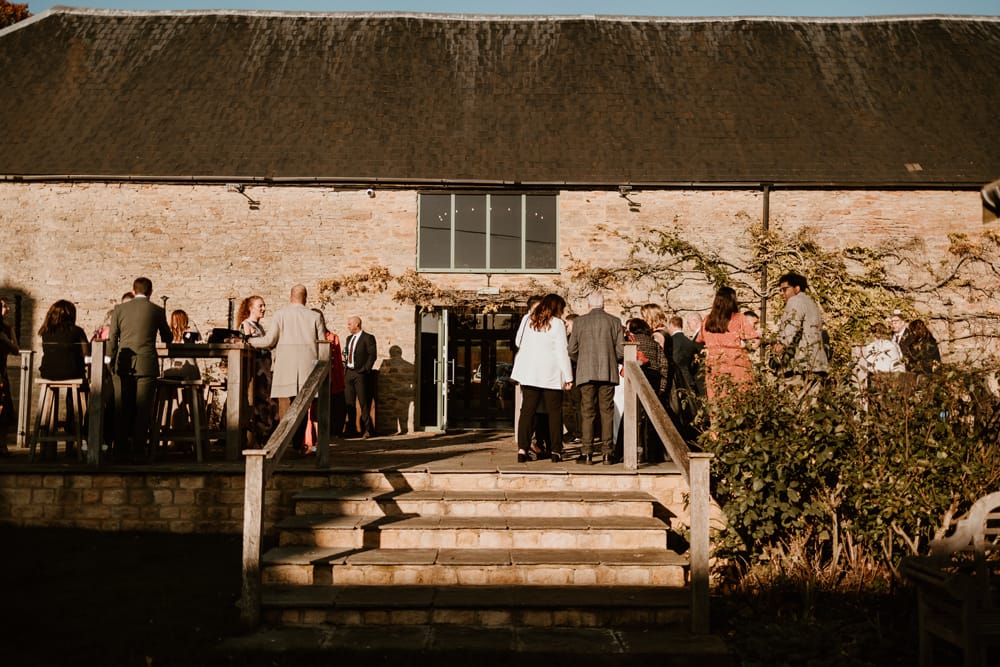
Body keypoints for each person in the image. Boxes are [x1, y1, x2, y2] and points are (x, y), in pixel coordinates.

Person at [248, 285, 327, 445]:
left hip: (285, 369)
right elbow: (322, 346)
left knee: (284, 408)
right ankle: (298, 443)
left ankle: (283, 443)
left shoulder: (280, 315)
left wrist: (250, 341)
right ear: (305, 298)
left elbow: (269, 341)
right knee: (303, 407)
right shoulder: (315, 317)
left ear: (291, 297)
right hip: (308, 369)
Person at [108, 277, 172, 462]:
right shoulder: (157, 311)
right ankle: (138, 450)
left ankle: (119, 449)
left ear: (133, 290)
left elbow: (113, 338)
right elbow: (167, 337)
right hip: (146, 363)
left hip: (124, 363)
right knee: (142, 409)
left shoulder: (119, 309)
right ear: (151, 292)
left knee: (122, 408)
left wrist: (111, 362)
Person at [510, 293, 573, 463]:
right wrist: (568, 376)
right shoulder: (558, 324)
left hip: (530, 373)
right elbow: (562, 351)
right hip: (551, 374)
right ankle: (555, 450)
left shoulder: (527, 320)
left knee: (527, 412)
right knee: (554, 413)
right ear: (556, 307)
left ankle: (522, 449)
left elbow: (518, 342)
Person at [568, 291, 625, 465]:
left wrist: (583, 360)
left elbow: (571, 350)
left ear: (588, 305)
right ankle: (607, 453)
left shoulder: (579, 322)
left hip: (586, 372)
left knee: (587, 412)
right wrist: (611, 359)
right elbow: (621, 351)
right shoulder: (615, 322)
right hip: (608, 372)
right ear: (604, 304)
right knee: (607, 412)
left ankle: (587, 452)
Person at [696, 287, 759, 401]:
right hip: (736, 365)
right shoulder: (739, 318)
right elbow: (754, 342)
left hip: (715, 367)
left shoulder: (707, 320)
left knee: (717, 402)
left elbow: (700, 340)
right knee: (738, 403)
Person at [623, 317, 667, 463]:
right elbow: (663, 364)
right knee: (651, 416)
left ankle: (633, 451)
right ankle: (652, 453)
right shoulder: (654, 343)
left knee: (633, 415)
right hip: (654, 379)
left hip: (638, 376)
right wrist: (662, 386)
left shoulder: (631, 341)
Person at [773, 272, 829, 382]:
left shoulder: (795, 300)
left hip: (800, 366)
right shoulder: (811, 303)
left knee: (793, 398)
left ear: (797, 289)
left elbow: (792, 326)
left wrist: (781, 345)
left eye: (784, 289)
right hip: (817, 365)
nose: (781, 293)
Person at [236, 295, 277, 446]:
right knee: (260, 405)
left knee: (268, 405)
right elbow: (245, 345)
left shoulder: (259, 327)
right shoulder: (246, 325)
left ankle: (265, 438)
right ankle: (258, 440)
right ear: (251, 308)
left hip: (265, 370)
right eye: (260, 306)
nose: (263, 309)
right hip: (257, 372)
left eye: (264, 305)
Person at [343, 315, 377, 439]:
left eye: (349, 324)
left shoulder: (368, 338)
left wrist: (364, 370)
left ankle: (368, 429)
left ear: (357, 324)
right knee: (349, 402)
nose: (348, 326)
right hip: (349, 373)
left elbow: (372, 355)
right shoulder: (348, 339)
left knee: (364, 402)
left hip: (360, 374)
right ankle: (352, 429)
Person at [0, 297, 18, 456]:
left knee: (5, 409)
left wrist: (6, 340)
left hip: (1, 371)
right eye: (4, 306)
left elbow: (16, 349)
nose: (7, 309)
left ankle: (3, 445)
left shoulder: (7, 328)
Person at [162, 309, 201, 380]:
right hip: (191, 369)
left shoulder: (189, 334)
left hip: (183, 369)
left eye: (174, 320)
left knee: (164, 377)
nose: (172, 323)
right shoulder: (190, 333)